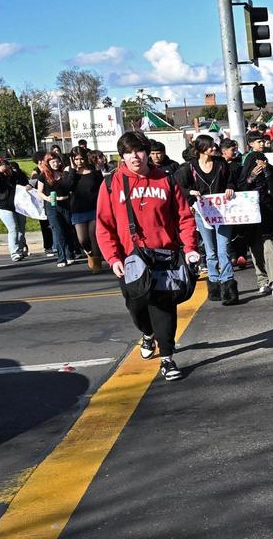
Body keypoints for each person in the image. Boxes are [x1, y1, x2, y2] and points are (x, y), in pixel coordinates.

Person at [96, 131, 201, 382]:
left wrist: (189, 248)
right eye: (129, 152)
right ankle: (147, 333)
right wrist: (113, 258)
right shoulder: (112, 183)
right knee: (137, 306)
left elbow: (184, 218)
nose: (135, 157)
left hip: (165, 256)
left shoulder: (166, 180)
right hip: (130, 258)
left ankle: (167, 357)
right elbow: (103, 225)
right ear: (122, 156)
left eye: (139, 151)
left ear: (147, 153)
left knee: (164, 306)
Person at [175, 135, 239, 303]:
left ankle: (228, 285)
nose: (213, 148)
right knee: (210, 251)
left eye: (213, 145)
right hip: (202, 213)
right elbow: (177, 187)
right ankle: (214, 284)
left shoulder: (221, 164)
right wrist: (190, 193)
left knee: (223, 249)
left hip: (223, 212)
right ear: (201, 148)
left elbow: (231, 181)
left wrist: (230, 188)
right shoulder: (189, 168)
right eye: (210, 145)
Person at [240, 132, 273, 297]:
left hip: (268, 212)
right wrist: (251, 177)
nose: (262, 144)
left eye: (263, 141)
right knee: (256, 247)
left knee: (270, 245)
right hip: (251, 214)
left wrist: (267, 173)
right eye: (259, 141)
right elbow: (240, 187)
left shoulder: (270, 167)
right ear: (251, 144)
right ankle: (263, 280)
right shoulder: (245, 166)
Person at [62, 147, 105, 273]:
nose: (79, 162)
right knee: (83, 240)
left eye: (81, 159)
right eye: (76, 159)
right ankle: (90, 253)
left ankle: (97, 263)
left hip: (94, 209)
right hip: (78, 210)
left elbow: (102, 189)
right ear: (72, 160)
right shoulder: (69, 173)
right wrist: (72, 171)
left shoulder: (94, 171)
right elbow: (66, 187)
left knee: (93, 235)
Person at [35, 152, 76, 267]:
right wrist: (47, 198)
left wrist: (71, 169)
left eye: (57, 161)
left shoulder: (64, 173)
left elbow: (71, 185)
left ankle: (69, 254)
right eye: (53, 162)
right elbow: (39, 192)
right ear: (47, 163)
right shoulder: (44, 175)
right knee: (58, 231)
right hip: (52, 206)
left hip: (66, 203)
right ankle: (61, 257)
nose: (56, 164)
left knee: (68, 228)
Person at [0, 157, 29, 261]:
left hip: (19, 205)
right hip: (4, 206)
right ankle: (14, 252)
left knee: (21, 229)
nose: (7, 171)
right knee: (13, 228)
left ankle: (20, 249)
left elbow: (26, 183)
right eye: (4, 169)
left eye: (7, 168)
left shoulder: (17, 176)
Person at [31, 150, 56, 255]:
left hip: (52, 200)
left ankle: (56, 245)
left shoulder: (51, 170)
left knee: (54, 225)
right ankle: (48, 246)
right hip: (41, 202)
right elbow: (33, 184)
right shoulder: (36, 172)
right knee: (45, 225)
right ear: (41, 161)